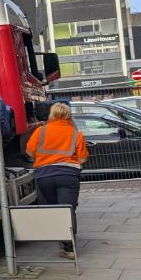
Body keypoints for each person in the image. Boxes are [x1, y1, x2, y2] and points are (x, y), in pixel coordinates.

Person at [26, 102, 88, 259]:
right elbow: (83, 158)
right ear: (68, 115)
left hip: (44, 175)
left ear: (51, 114)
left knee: (55, 209)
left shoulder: (40, 131)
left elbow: (29, 152)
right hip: (68, 175)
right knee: (68, 210)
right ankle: (69, 248)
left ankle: (61, 239)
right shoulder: (76, 134)